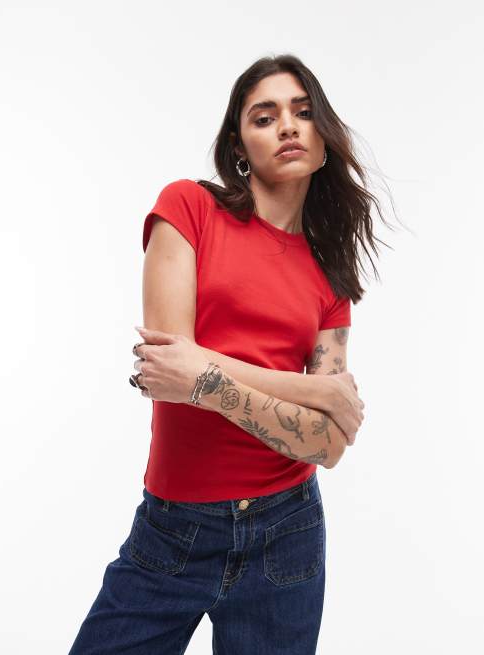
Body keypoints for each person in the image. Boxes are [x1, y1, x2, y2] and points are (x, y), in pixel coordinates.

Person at [69, 53, 391, 654]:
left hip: (287, 532)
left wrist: (206, 373)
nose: (287, 126)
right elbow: (169, 372)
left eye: (302, 113)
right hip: (173, 531)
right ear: (240, 146)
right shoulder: (189, 209)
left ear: (323, 137)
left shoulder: (330, 276)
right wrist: (313, 389)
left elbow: (326, 445)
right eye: (264, 117)